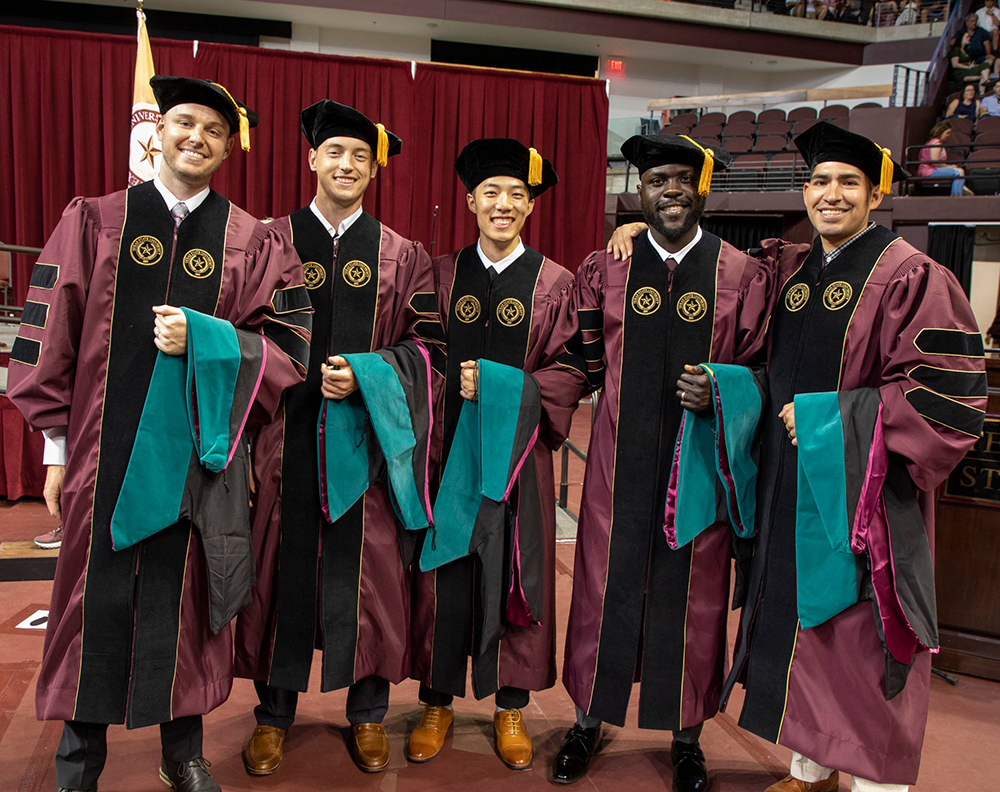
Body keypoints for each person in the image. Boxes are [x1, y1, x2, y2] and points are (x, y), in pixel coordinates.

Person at [6, 76, 312, 792]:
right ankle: (79, 760)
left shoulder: (253, 240)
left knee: (187, 604)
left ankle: (184, 753)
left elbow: (291, 345)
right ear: (158, 132)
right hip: (98, 457)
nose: (196, 137)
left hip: (200, 462)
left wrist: (208, 338)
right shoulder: (94, 219)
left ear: (229, 147)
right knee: (90, 601)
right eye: (183, 123)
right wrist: (55, 448)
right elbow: (50, 334)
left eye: (213, 129)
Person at [722, 121, 987, 792]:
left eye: (848, 183)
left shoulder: (912, 277)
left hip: (867, 498)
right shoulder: (795, 271)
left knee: (861, 643)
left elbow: (943, 402)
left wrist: (824, 419)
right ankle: (810, 767)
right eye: (819, 182)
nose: (830, 195)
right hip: (793, 486)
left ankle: (877, 785)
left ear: (876, 194)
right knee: (806, 632)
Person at [555, 134, 774, 791]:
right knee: (600, 591)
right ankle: (589, 721)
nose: (671, 190)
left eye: (683, 178)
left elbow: (767, 368)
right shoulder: (607, 269)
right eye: (658, 181)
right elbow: (578, 357)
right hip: (616, 472)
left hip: (700, 469)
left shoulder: (741, 274)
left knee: (697, 600)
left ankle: (687, 737)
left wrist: (728, 388)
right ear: (638, 192)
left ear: (702, 189)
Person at [233, 100, 437, 775]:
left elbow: (427, 348)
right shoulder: (269, 241)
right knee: (279, 577)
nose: (347, 164)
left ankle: (367, 715)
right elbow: (243, 340)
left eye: (360, 156)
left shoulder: (401, 254)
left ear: (372, 169)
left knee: (370, 581)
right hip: (282, 442)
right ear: (312, 159)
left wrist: (374, 375)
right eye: (336, 153)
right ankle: (273, 716)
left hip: (368, 447)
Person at [407, 138, 589, 771]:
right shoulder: (436, 274)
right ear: (471, 201)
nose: (504, 204)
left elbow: (572, 368)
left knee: (517, 572)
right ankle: (437, 701)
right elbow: (416, 354)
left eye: (517, 194)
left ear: (530, 206)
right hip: (447, 452)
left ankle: (510, 705)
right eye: (492, 193)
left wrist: (507, 389)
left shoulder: (555, 282)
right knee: (445, 573)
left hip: (519, 461)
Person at [918, 121, 970, 195]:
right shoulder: (936, 143)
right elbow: (935, 161)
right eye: (947, 133)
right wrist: (948, 166)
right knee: (959, 172)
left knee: (957, 171)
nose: (948, 135)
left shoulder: (932, 142)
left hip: (930, 169)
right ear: (941, 132)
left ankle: (960, 189)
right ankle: (957, 195)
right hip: (929, 171)